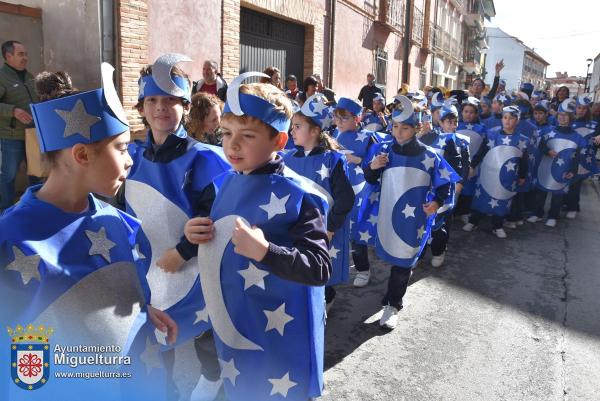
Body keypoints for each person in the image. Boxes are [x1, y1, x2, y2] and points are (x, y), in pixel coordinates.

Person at [0, 65, 177, 400]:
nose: (130, 161)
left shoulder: (122, 224)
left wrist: (141, 310)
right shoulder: (10, 238)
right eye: (122, 148)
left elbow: (115, 293)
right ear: (81, 154)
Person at [182, 72, 332, 401]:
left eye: (247, 136)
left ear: (279, 141)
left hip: (282, 336)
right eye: (226, 133)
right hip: (238, 321)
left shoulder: (301, 196)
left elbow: (319, 268)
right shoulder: (224, 183)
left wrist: (265, 251)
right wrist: (196, 233)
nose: (232, 145)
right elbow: (218, 240)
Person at [125, 54, 231, 400]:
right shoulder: (133, 156)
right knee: (158, 339)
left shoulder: (204, 157)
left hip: (191, 265)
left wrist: (181, 252)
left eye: (170, 99)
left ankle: (212, 377)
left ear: (185, 105)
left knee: (202, 329)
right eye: (152, 100)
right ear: (141, 107)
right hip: (150, 267)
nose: (160, 108)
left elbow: (211, 218)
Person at [360, 96, 458, 329]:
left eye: (405, 128)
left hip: (414, 217)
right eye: (395, 127)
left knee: (404, 260)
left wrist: (436, 202)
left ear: (416, 128)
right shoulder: (382, 150)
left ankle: (393, 304)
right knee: (389, 256)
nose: (399, 132)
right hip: (383, 213)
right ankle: (392, 295)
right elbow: (369, 178)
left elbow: (446, 185)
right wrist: (372, 167)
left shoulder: (429, 155)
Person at [283, 93, 354, 313]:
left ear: (314, 131)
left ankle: (326, 300)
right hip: (297, 227)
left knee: (322, 271)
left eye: (297, 127)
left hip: (324, 230)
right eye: (292, 126)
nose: (291, 131)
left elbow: (346, 198)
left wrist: (331, 228)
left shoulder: (333, 160)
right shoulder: (286, 158)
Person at [463, 105, 530, 238]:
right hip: (488, 173)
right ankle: (473, 221)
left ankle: (497, 225)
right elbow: (482, 151)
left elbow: (524, 160)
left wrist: (522, 175)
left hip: (508, 176)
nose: (507, 121)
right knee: (481, 197)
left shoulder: (522, 140)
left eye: (511, 118)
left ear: (517, 121)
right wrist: (472, 165)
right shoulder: (492, 134)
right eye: (505, 118)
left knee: (502, 199)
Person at [333, 97, 378, 288]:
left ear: (357, 119)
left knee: (356, 232)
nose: (339, 122)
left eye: (344, 118)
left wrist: (355, 159)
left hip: (360, 191)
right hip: (338, 189)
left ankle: (363, 269)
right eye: (336, 117)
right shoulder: (335, 134)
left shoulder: (369, 138)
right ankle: (338, 266)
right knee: (337, 229)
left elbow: (374, 166)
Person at [423, 104, 469, 267]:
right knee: (424, 218)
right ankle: (419, 253)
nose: (452, 125)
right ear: (441, 123)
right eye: (448, 122)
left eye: (455, 122)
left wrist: (460, 183)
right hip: (429, 186)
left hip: (449, 187)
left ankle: (439, 250)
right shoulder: (431, 137)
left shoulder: (461, 141)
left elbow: (465, 164)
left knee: (443, 221)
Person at [529, 99, 586, 227]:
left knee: (558, 193)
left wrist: (573, 171)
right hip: (546, 166)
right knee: (541, 191)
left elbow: (577, 157)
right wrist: (547, 151)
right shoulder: (548, 131)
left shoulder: (577, 137)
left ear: (571, 117)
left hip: (563, 169)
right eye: (560, 115)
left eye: (566, 116)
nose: (562, 118)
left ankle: (553, 215)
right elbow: (541, 146)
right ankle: (537, 213)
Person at [0, 40, 40, 211]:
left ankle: (35, 206)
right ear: (8, 56)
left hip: (33, 134)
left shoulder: (30, 77)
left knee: (36, 172)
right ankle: (6, 211)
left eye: (26, 54)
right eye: (20, 54)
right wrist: (13, 111)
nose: (25, 58)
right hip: (12, 136)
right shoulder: (2, 77)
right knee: (8, 175)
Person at [564, 95, 599, 217]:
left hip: (583, 159)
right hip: (569, 157)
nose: (581, 110)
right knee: (566, 181)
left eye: (584, 108)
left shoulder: (594, 124)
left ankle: (573, 207)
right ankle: (568, 203)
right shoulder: (568, 122)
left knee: (575, 184)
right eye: (579, 107)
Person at [455, 97, 487, 220]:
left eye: (471, 112)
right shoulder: (456, 125)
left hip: (473, 164)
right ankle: (453, 211)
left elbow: (482, 148)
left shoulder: (481, 129)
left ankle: (464, 212)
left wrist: (473, 165)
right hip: (457, 163)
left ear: (476, 114)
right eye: (466, 111)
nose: (468, 114)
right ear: (461, 112)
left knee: (469, 188)